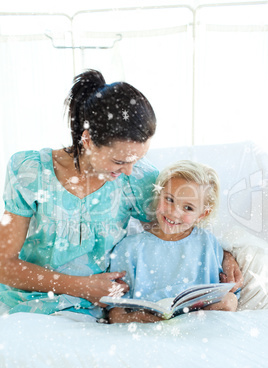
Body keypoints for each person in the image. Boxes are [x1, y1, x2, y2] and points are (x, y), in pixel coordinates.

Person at [0, 69, 241, 320]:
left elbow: (180, 224)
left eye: (138, 159)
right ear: (88, 140)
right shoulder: (30, 171)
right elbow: (3, 264)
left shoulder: (138, 179)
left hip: (98, 310)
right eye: (119, 161)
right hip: (30, 302)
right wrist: (81, 286)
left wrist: (225, 255)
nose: (129, 170)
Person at [108, 160, 240, 324]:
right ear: (159, 194)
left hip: (197, 319)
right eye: (169, 199)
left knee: (229, 300)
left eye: (188, 208)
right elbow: (115, 309)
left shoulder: (207, 242)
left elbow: (225, 291)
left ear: (202, 214)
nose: (173, 212)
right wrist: (137, 316)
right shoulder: (130, 247)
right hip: (148, 321)